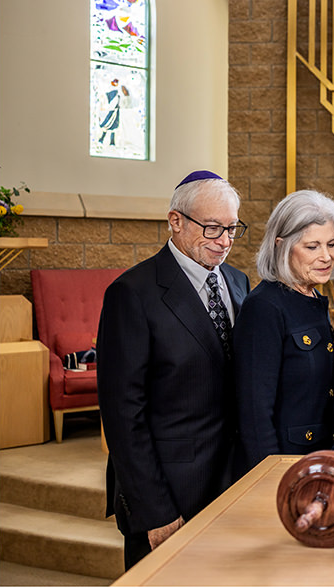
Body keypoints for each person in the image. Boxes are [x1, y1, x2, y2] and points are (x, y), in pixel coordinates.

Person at [97, 171, 250, 569]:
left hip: (233, 481)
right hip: (170, 492)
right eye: (213, 227)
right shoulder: (133, 293)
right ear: (175, 220)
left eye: (233, 228)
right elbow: (122, 416)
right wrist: (154, 510)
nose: (224, 241)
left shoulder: (238, 282)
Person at [234, 190, 334, 471]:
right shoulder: (264, 306)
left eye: (332, 244)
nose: (326, 257)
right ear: (281, 246)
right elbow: (254, 411)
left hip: (319, 456)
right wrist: (268, 476)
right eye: (312, 247)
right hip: (285, 464)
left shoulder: (311, 298)